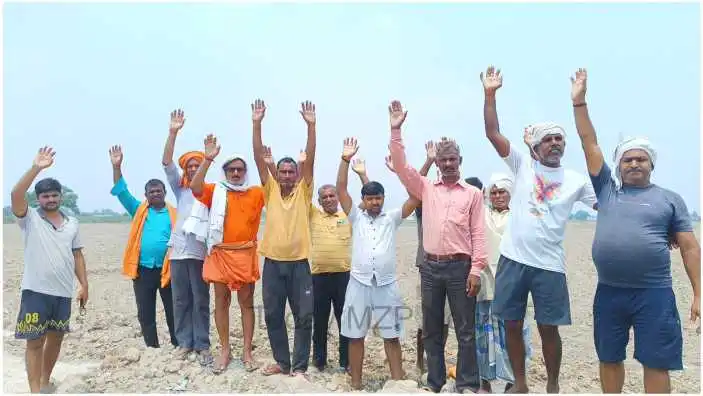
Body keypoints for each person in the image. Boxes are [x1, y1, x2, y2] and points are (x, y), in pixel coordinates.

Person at [570, 68, 701, 393]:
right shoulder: (607, 191)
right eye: (627, 160)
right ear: (618, 166)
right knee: (609, 357)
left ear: (651, 164)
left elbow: (689, 247)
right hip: (609, 291)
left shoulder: (670, 200)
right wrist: (579, 104)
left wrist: (698, 293)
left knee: (656, 361)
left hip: (654, 293)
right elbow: (590, 142)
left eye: (641, 159)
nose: (633, 164)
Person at [480, 65, 597, 393]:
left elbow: (608, 207)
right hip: (513, 261)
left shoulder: (575, 181)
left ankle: (553, 385)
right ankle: (520, 383)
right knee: (512, 324)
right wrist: (490, 95)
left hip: (549, 266)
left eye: (560, 138)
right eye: (548, 139)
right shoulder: (522, 167)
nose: (555, 143)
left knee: (549, 328)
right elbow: (492, 133)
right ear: (536, 147)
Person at [388, 100, 487, 394]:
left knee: (465, 330)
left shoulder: (473, 194)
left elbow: (479, 233)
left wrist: (476, 269)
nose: (447, 164)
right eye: (443, 160)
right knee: (431, 329)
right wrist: (396, 130)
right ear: (438, 163)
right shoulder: (427, 189)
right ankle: (436, 382)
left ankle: (467, 383)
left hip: (460, 268)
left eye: (452, 159)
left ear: (460, 161)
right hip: (430, 268)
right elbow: (402, 168)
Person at [335, 136, 420, 390]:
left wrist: (400, 172)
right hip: (358, 283)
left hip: (386, 284)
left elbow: (415, 197)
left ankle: (397, 382)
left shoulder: (391, 218)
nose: (375, 202)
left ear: (383, 198)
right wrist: (344, 159)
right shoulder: (356, 217)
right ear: (364, 199)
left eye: (379, 198)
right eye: (370, 199)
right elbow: (341, 189)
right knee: (355, 335)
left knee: (392, 335)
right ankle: (357, 384)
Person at [11, 147, 89, 394]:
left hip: (62, 293)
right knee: (35, 342)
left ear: (61, 197)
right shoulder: (29, 218)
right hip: (36, 292)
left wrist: (84, 285)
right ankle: (35, 390)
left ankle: (45, 382)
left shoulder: (72, 223)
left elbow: (77, 254)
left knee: (56, 338)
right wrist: (37, 167)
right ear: (38, 199)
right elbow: (16, 193)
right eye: (45, 197)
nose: (50, 200)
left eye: (54, 195)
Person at [186, 134, 265, 374]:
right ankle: (225, 350)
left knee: (246, 303)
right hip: (219, 254)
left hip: (245, 253)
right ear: (225, 172)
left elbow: (271, 182)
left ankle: (247, 351)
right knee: (220, 301)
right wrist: (207, 159)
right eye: (231, 170)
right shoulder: (216, 191)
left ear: (245, 172)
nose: (236, 174)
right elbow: (195, 187)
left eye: (240, 169)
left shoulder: (256, 193)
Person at [251, 99, 317, 377]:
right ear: (276, 174)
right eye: (283, 171)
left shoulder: (304, 191)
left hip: (300, 264)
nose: (288, 175)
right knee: (273, 315)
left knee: (304, 317)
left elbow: (311, 158)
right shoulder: (270, 191)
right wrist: (257, 124)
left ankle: (300, 366)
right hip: (273, 265)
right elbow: (257, 157)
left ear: (298, 174)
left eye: (292, 171)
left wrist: (311, 126)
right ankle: (282, 362)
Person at [109, 145, 178, 349]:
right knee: (145, 311)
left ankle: (177, 343)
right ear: (146, 194)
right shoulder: (138, 210)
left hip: (168, 270)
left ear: (165, 192)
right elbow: (121, 191)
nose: (155, 193)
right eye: (151, 191)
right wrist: (116, 167)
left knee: (173, 310)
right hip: (143, 270)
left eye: (159, 190)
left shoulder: (175, 213)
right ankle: (152, 347)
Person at [385, 143, 445, 374]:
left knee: (446, 320)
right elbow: (416, 184)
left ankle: (434, 362)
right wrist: (429, 161)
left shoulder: (452, 200)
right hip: (428, 266)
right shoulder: (424, 202)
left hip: (454, 268)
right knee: (426, 320)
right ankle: (421, 362)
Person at [161, 109, 212, 365]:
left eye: (197, 165)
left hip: (201, 252)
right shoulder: (180, 189)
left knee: (201, 299)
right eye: (190, 166)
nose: (193, 169)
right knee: (180, 299)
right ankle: (184, 342)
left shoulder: (209, 191)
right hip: (179, 251)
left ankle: (202, 343)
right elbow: (167, 162)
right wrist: (173, 132)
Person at [473, 174, 532, 393]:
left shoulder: (520, 215)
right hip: (485, 280)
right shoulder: (482, 214)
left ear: (511, 194)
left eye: (502, 192)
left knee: (513, 333)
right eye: (494, 193)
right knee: (483, 335)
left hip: (513, 281)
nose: (497, 197)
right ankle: (484, 382)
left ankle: (514, 382)